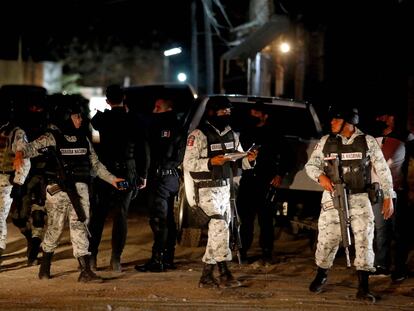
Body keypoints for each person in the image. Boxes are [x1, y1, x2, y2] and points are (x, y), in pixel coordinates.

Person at [14, 102, 124, 282]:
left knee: (80, 227)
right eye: (76, 116)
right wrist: (19, 154)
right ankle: (45, 265)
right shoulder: (52, 137)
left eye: (80, 116)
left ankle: (85, 271)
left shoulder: (84, 138)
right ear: (66, 117)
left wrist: (112, 179)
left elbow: (95, 165)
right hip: (58, 190)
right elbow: (28, 148)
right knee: (55, 229)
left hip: (80, 191)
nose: (80, 119)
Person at [305, 106, 394, 302]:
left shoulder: (367, 141)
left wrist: (389, 196)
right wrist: (321, 177)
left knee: (364, 240)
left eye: (335, 120)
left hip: (360, 198)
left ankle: (363, 286)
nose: (331, 123)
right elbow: (311, 165)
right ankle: (322, 274)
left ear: (348, 122)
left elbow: (382, 169)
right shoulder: (326, 141)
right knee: (327, 239)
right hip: (332, 197)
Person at [183, 96, 257, 288]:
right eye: (223, 111)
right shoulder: (198, 135)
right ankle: (225, 272)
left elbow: (240, 162)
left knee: (218, 232)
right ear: (211, 112)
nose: (227, 114)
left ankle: (206, 276)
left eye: (228, 112)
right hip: (205, 189)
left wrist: (249, 158)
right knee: (220, 228)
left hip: (225, 188)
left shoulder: (232, 134)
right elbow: (188, 163)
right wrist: (210, 162)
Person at [88, 84, 147, 272]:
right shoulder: (135, 120)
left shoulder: (102, 118)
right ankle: (116, 259)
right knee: (120, 215)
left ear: (107, 101)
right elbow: (142, 149)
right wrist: (143, 174)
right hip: (127, 170)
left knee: (98, 215)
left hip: (105, 171)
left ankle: (92, 257)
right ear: (124, 99)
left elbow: (94, 123)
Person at [236, 102, 292, 264]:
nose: (252, 114)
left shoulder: (275, 133)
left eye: (256, 112)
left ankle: (267, 252)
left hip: (266, 180)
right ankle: (243, 251)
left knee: (266, 219)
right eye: (252, 111)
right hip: (247, 179)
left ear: (264, 115)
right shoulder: (245, 132)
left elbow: (288, 156)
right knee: (245, 218)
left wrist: (280, 174)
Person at [135, 96, 186, 272]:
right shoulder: (180, 126)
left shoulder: (157, 126)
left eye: (157, 107)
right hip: (172, 178)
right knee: (169, 219)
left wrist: (143, 174)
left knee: (159, 219)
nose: (154, 111)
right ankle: (168, 258)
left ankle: (158, 260)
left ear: (167, 109)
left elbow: (148, 154)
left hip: (159, 178)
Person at [370, 107, 414, 282]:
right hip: (377, 190)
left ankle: (400, 267)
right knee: (380, 229)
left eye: (385, 114)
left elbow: (409, 163)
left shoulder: (406, 136)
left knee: (399, 230)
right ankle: (381, 265)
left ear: (393, 117)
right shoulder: (375, 134)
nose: (380, 117)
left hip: (397, 190)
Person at [10, 101, 49, 266]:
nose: (36, 109)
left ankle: (34, 248)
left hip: (42, 175)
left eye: (38, 107)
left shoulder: (48, 128)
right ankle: (31, 239)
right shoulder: (20, 128)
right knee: (18, 217)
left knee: (38, 214)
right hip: (24, 176)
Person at [0, 110, 31, 266]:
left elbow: (24, 158)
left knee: (2, 216)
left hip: (7, 179)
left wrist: (19, 182)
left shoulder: (17, 133)